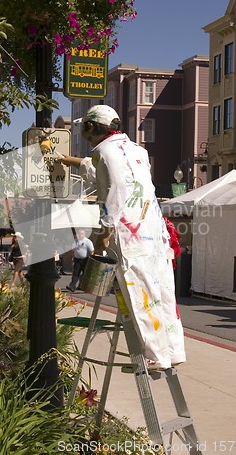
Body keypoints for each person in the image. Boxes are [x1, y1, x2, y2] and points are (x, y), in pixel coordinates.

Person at [61, 105, 186, 370]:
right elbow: (108, 175)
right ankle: (173, 351)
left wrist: (103, 233)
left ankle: (154, 355)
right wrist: (67, 159)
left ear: (93, 127)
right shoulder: (137, 150)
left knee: (141, 292)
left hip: (129, 233)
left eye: (85, 127)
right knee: (163, 290)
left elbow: (114, 191)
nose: (83, 133)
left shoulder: (105, 152)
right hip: (152, 227)